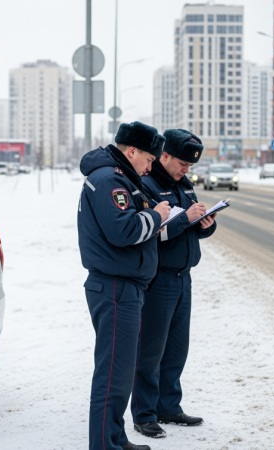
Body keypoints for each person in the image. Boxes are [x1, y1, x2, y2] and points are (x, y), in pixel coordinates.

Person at [78, 121, 170, 450]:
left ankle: (115, 438)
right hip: (115, 287)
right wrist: (158, 215)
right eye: (149, 159)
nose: (151, 166)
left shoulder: (120, 177)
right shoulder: (108, 180)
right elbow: (124, 230)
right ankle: (105, 445)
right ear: (131, 151)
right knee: (113, 376)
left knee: (120, 374)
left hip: (123, 287)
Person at [130, 129, 217, 439]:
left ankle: (168, 406)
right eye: (182, 163)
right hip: (159, 280)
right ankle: (144, 414)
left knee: (177, 349)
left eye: (190, 166)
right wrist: (184, 219)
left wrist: (206, 225)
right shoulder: (146, 185)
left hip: (184, 279)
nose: (186, 170)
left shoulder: (184, 186)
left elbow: (188, 229)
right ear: (163, 156)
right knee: (150, 351)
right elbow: (153, 232)